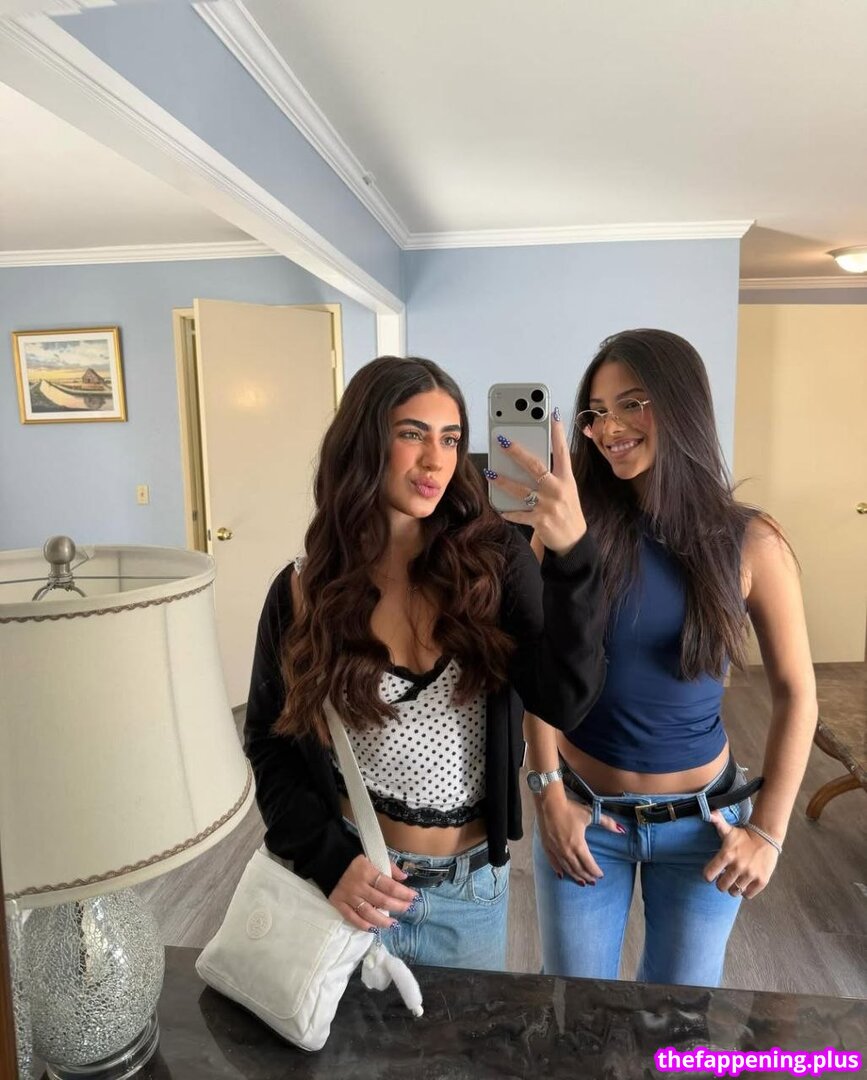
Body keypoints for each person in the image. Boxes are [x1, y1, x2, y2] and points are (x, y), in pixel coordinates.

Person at [244, 355, 605, 972]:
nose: (436, 460)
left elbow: (565, 700)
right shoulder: (304, 590)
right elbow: (269, 743)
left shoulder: (494, 566)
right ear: (364, 441)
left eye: (451, 438)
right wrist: (329, 860)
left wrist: (574, 557)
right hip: (354, 889)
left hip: (469, 895)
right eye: (412, 434)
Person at [523, 329, 817, 987]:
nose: (609, 429)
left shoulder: (751, 541)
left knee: (678, 1024)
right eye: (597, 412)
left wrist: (768, 833)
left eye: (632, 404)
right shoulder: (568, 532)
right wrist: (546, 793)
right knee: (576, 1014)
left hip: (703, 830)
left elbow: (797, 691)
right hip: (584, 816)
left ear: (681, 405)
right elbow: (539, 671)